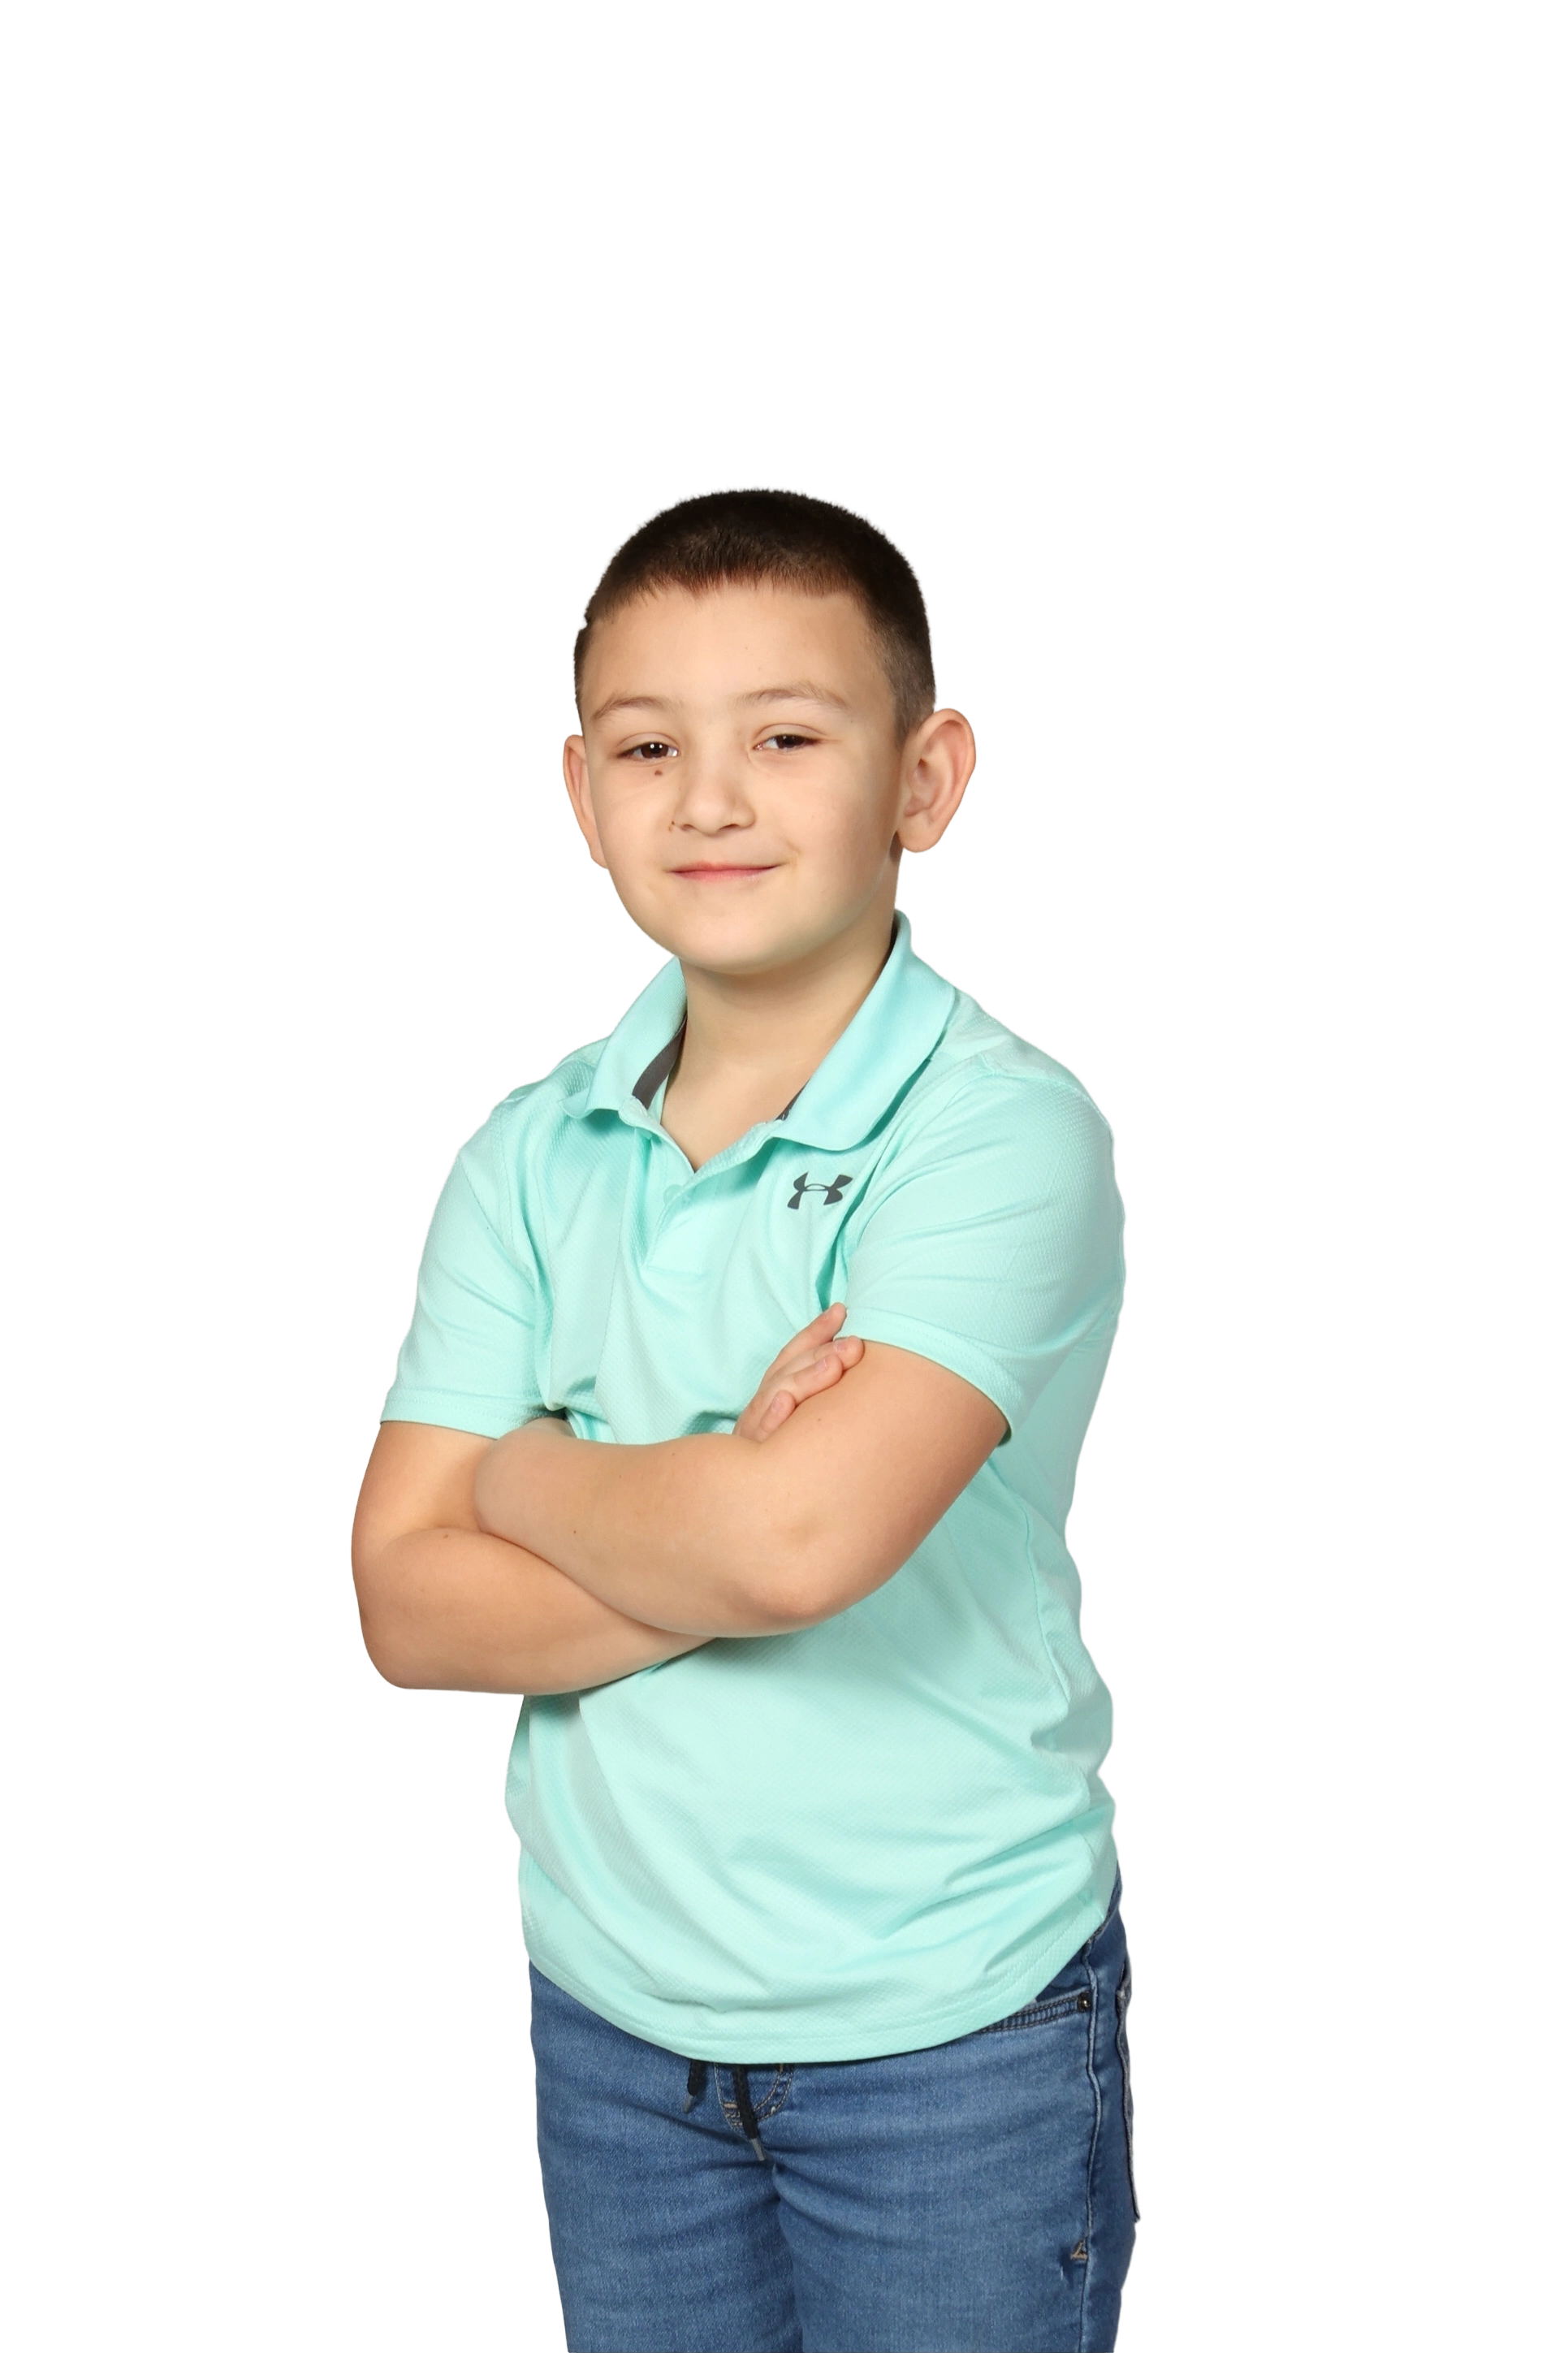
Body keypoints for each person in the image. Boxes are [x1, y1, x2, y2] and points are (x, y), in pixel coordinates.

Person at [348, 482, 1140, 2353]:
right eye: (647, 746)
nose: (709, 799)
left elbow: (795, 1545)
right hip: (615, 2017)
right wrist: (718, 1492)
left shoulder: (996, 1131)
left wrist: (522, 1470)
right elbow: (404, 1606)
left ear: (923, 777)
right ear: (577, 790)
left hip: (946, 2027)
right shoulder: (527, 1152)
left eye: (786, 737)